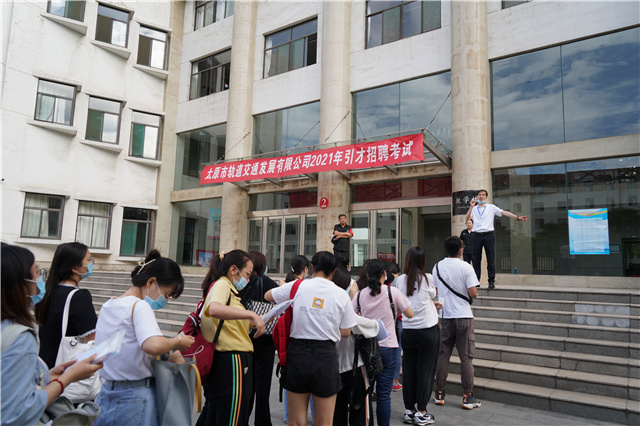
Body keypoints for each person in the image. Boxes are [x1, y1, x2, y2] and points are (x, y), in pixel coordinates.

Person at [1, 243, 103, 426]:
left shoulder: (49, 293)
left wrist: (48, 374)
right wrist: (67, 378)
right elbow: (17, 413)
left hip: (46, 367)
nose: (39, 278)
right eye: (36, 272)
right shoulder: (20, 337)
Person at [94, 250, 195, 426]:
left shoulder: (109, 304)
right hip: (134, 396)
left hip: (105, 393)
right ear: (151, 282)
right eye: (167, 294)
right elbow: (152, 345)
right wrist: (178, 341)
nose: (165, 300)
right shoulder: (140, 306)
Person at [265, 251, 358, 426]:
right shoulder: (341, 294)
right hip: (325, 357)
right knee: (324, 422)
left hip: (297, 354)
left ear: (312, 267)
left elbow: (268, 295)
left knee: (295, 421)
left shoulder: (297, 286)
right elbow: (346, 332)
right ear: (334, 271)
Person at [201, 249, 266, 426]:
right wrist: (251, 314)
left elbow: (230, 325)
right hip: (232, 361)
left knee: (220, 415)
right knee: (233, 417)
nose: (248, 279)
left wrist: (256, 320)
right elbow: (214, 309)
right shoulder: (222, 285)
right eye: (247, 274)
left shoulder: (228, 289)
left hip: (228, 361)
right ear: (233, 270)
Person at [353, 259, 413, 426]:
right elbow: (410, 313)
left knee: (366, 392)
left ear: (366, 275)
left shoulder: (360, 295)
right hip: (388, 348)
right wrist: (395, 311)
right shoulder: (392, 292)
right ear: (384, 274)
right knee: (384, 395)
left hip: (366, 349)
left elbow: (350, 317)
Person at [395, 247, 442, 425]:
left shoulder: (400, 280)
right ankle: (422, 412)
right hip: (427, 331)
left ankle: (409, 410)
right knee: (425, 372)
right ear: (423, 261)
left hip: (408, 331)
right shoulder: (427, 278)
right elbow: (429, 294)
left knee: (409, 371)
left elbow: (411, 301)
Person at [432, 236, 480, 410]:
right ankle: (467, 396)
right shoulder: (466, 267)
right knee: (466, 358)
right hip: (463, 316)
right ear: (460, 250)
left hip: (444, 315)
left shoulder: (437, 266)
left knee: (442, 355)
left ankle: (439, 393)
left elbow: (435, 291)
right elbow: (473, 293)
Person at [36, 242, 98, 370]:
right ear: (75, 268)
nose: (92, 263)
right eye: (89, 259)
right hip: (65, 369)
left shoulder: (48, 293)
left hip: (45, 366)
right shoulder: (79, 297)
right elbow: (92, 339)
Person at [331, 267, 378, 426]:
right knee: (360, 412)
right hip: (354, 366)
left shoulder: (326, 308)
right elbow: (375, 327)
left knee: (336, 412)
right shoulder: (347, 310)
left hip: (331, 367)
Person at [241, 251, 279, 426]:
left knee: (247, 387)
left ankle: (242, 420)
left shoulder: (244, 285)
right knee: (263, 390)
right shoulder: (270, 283)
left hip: (246, 340)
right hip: (266, 341)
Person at [277, 254, 315, 423]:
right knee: (311, 383)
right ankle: (315, 416)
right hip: (301, 334)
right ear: (306, 269)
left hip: (286, 336)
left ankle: (288, 416)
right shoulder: (305, 287)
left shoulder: (285, 285)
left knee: (289, 380)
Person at [465, 189, 528, 289]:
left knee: (490, 259)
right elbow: (467, 218)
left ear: (486, 197)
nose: (481, 196)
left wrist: (517, 217)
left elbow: (504, 212)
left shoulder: (491, 207)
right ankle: (476, 281)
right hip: (476, 235)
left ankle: (491, 281)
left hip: (488, 235)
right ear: (476, 197)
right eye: (479, 195)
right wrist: (471, 206)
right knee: (476, 259)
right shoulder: (474, 208)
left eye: (483, 195)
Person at [384, 262, 402, 392]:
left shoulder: (383, 284)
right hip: (398, 321)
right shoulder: (397, 285)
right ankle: (395, 381)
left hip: (385, 322)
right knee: (397, 351)